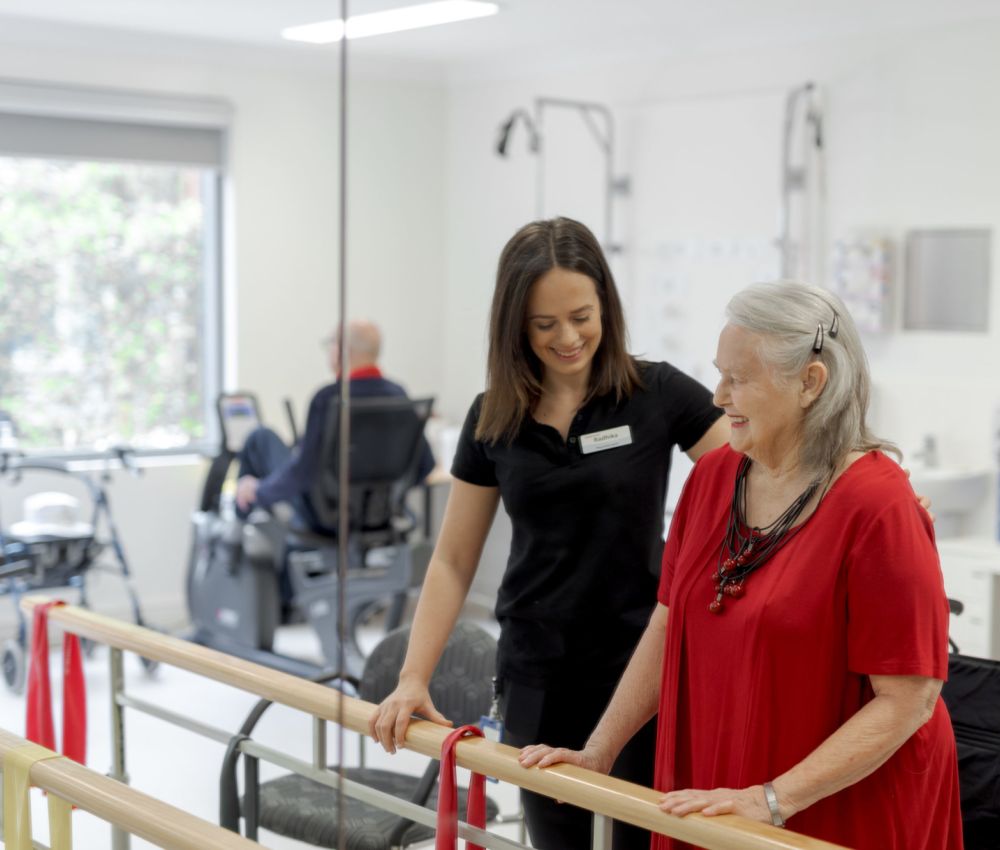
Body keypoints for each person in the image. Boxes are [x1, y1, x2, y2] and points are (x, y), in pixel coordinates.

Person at [519, 281, 963, 850]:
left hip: (837, 802)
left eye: (739, 379)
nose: (718, 395)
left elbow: (908, 701)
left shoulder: (880, 507)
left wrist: (771, 799)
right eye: (718, 373)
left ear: (811, 383)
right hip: (728, 778)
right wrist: (598, 751)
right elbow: (668, 622)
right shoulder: (712, 478)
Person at [369, 217, 731, 849]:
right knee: (558, 839)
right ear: (516, 326)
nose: (568, 338)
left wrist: (866, 486)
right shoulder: (493, 417)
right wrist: (412, 676)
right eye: (544, 325)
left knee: (641, 840)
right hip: (539, 670)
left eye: (582, 316)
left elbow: (765, 467)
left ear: (606, 308)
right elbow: (453, 560)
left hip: (639, 669)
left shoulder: (657, 393)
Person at [235, 318, 435, 529]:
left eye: (330, 344)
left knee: (260, 438)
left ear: (341, 351)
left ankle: (237, 521)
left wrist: (259, 491)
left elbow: (302, 474)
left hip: (325, 516)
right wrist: (385, 498)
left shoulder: (329, 398)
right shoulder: (399, 396)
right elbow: (425, 465)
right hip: (378, 516)